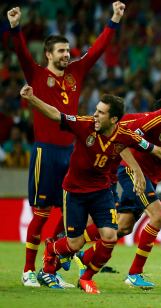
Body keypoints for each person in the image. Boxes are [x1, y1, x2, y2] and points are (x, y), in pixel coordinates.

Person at [19, 85, 161, 294]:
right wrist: (32, 99)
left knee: (115, 234)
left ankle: (86, 276)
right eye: (96, 111)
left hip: (102, 190)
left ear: (113, 119)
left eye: (101, 112)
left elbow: (157, 150)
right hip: (75, 190)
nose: (95, 115)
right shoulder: (85, 124)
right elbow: (55, 114)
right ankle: (55, 250)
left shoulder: (124, 135)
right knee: (76, 242)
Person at [7, 1, 125, 288]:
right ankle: (27, 270)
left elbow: (97, 50)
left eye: (67, 50)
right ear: (48, 54)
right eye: (60, 51)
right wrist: (15, 27)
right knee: (41, 213)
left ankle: (51, 268)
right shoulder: (36, 74)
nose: (66, 54)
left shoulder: (76, 72)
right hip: (45, 152)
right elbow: (21, 52)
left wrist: (114, 19)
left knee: (68, 215)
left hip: (72, 153)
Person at [79, 80, 161, 289]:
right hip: (132, 171)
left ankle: (77, 252)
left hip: (152, 177)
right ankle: (134, 273)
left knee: (123, 227)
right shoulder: (158, 119)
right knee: (159, 216)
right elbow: (122, 135)